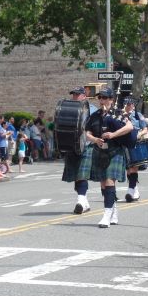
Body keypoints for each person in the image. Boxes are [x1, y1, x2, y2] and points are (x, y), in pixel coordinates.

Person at [80, 86, 133, 227]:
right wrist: (95, 140)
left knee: (109, 181)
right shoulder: (95, 115)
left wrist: (113, 135)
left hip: (115, 150)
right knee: (103, 184)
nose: (101, 100)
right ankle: (113, 211)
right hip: (100, 150)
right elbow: (87, 133)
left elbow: (130, 127)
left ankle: (106, 215)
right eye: (100, 97)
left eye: (104, 97)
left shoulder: (118, 113)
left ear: (111, 99)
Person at [61, 86, 97, 214]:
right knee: (77, 175)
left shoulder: (92, 110)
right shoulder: (67, 108)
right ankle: (84, 202)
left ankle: (80, 200)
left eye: (78, 94)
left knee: (82, 174)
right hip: (71, 146)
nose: (75, 97)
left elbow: (96, 126)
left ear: (84, 96)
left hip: (86, 145)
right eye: (74, 94)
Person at [123, 97, 148, 202]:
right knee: (128, 169)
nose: (127, 106)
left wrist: (139, 134)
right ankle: (135, 191)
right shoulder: (121, 115)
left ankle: (130, 190)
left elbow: (145, 129)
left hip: (135, 143)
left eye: (129, 104)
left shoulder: (138, 115)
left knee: (133, 167)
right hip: (124, 144)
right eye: (125, 104)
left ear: (133, 105)